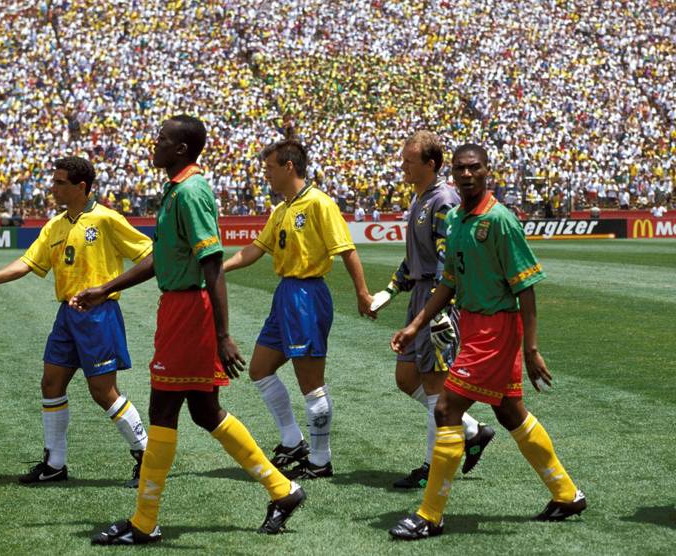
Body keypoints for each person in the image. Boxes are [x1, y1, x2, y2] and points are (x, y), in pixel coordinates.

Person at [71, 116, 305, 545]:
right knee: (202, 410)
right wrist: (106, 288)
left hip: (189, 313)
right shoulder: (178, 189)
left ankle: (144, 521)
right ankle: (283, 489)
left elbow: (212, 263)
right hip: (179, 308)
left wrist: (221, 334)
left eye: (161, 139)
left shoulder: (192, 192)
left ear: (180, 149)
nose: (154, 143)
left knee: (163, 409)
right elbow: (162, 257)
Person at [388, 144, 586, 540]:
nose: (466, 175)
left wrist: (530, 349)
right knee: (510, 413)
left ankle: (430, 514)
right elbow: (449, 282)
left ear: (486, 171)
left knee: (446, 409)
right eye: (461, 169)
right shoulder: (459, 219)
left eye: (474, 168)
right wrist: (416, 325)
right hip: (476, 327)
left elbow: (526, 287)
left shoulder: (499, 220)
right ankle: (567, 494)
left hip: (495, 331)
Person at [0, 156, 150, 487]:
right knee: (51, 384)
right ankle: (55, 464)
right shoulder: (54, 225)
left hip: (98, 315)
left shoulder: (107, 219)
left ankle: (146, 455)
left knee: (103, 392)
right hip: (66, 316)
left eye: (59, 182)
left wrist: (108, 288)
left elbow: (150, 255)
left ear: (80, 187)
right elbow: (28, 263)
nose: (52, 187)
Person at [223, 139, 374, 480]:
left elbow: (347, 250)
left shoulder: (319, 203)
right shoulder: (281, 209)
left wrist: (362, 294)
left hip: (308, 296)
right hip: (285, 296)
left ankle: (321, 460)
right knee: (260, 369)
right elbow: (255, 249)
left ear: (289, 166)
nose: (266, 176)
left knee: (311, 384)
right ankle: (293, 441)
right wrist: (221, 268)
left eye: (270, 169)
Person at [370, 131, 494, 489]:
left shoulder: (442, 200)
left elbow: (446, 260)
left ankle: (431, 466)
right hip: (419, 295)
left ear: (430, 164)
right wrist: (390, 291)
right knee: (406, 379)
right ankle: (472, 430)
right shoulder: (420, 199)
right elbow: (415, 259)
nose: (403, 166)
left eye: (409, 160)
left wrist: (441, 309)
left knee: (435, 385)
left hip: (437, 299)